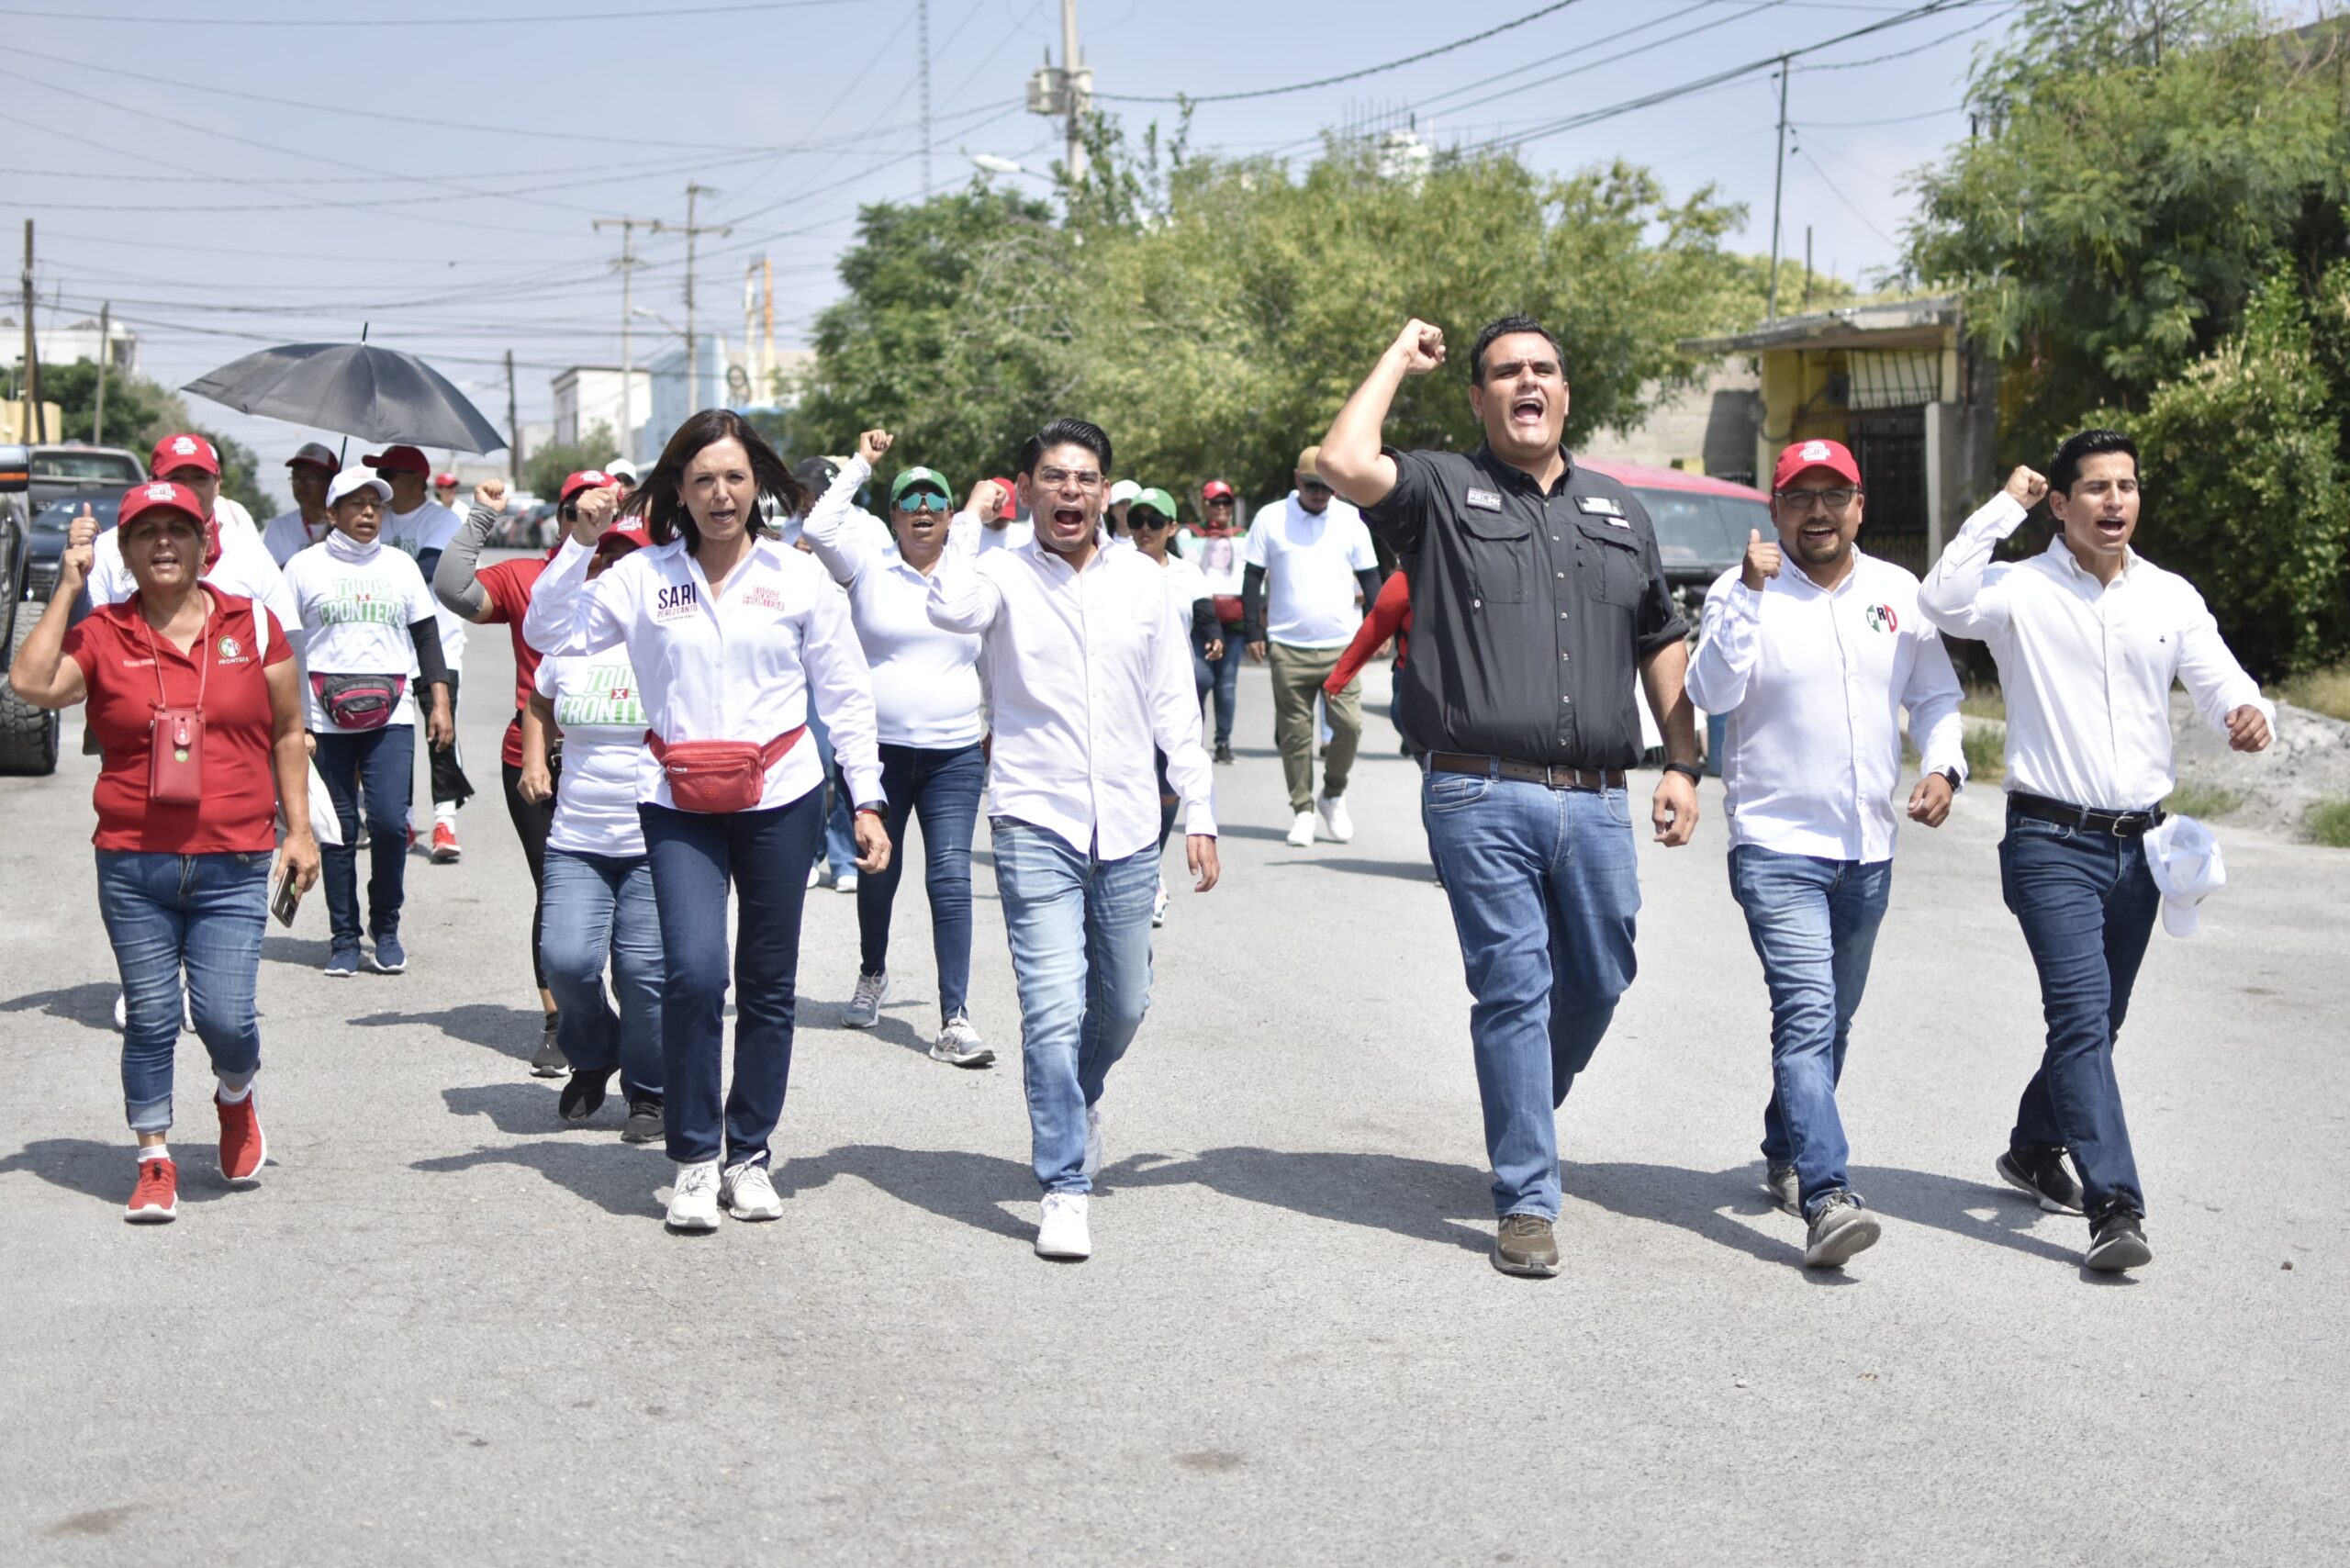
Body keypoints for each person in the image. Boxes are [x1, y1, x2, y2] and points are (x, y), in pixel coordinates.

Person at [1318, 315, 1702, 1279]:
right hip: (1477, 791)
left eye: (1543, 370)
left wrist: (1685, 762)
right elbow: (1340, 458)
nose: (1526, 384)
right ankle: (1526, 1198)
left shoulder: (1620, 509)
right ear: (1479, 397)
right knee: (1514, 987)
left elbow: (1658, 635)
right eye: (1505, 373)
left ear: (1566, 394)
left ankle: (1521, 1103)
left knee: (1603, 976)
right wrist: (1399, 357)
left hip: (1600, 799)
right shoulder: (1442, 491)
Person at [524, 409, 889, 1234]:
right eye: (701, 480)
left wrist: (865, 798)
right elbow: (548, 632)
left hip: (781, 795)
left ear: (756, 484)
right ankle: (693, 1158)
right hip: (677, 798)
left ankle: (749, 1154)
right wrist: (584, 542)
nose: (720, 494)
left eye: (733, 477)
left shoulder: (798, 579)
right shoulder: (641, 576)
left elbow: (845, 694)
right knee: (692, 974)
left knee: (767, 983)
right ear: (676, 492)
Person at [1917, 431, 2274, 1272]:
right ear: (2061, 503)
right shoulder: (2017, 590)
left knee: (2100, 1022)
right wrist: (2001, 506)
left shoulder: (2170, 597)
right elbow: (1941, 599)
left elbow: (2222, 678)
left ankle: (2033, 1147)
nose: (2115, 502)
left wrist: (2246, 712)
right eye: (2096, 489)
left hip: (2143, 847)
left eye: (2127, 487)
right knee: (2079, 1018)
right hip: (2049, 841)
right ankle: (2116, 1206)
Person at [928, 417, 1219, 1262]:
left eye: (1086, 479)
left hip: (1130, 822)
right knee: (1053, 1007)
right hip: (1033, 817)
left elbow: (1173, 701)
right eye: (1054, 477)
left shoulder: (1144, 584)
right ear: (1027, 489)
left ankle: (1079, 1096)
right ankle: (1064, 1183)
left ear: (1106, 493)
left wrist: (1197, 807)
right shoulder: (1000, 574)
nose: (1071, 492)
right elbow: (949, 607)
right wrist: (973, 525)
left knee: (1122, 1002)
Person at [1684, 438, 1967, 1270]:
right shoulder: (1744, 595)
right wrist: (1745, 593)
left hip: (1867, 851)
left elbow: (1938, 694)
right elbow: (1710, 694)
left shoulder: (1898, 593)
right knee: (1807, 1016)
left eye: (1832, 495)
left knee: (1831, 1022)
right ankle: (1828, 1193)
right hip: (1777, 848)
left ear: (1858, 506)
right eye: (1799, 497)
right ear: (1774, 510)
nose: (1817, 511)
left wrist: (1945, 765)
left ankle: (1784, 1142)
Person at [7, 481, 320, 1222]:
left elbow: (286, 731)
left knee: (227, 1019)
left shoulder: (254, 625)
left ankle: (236, 1096)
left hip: (234, 859)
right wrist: (67, 587)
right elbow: (28, 682)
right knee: (150, 1015)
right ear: (126, 551)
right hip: (133, 861)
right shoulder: (105, 632)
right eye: (145, 533)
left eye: (178, 530)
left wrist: (300, 830)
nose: (164, 545)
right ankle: (153, 1158)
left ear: (205, 541)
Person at [799, 432, 994, 1068]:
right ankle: (873, 972)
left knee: (950, 877)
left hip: (954, 754)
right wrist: (863, 464)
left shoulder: (970, 568)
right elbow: (819, 523)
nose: (922, 509)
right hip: (877, 752)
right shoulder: (867, 564)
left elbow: (996, 655)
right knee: (876, 871)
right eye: (909, 500)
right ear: (893, 515)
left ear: (945, 516)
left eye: (934, 501)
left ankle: (955, 1017)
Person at [434, 473, 607, 1077]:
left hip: (617, 761)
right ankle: (561, 1022)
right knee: (557, 891)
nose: (593, 519)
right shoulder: (526, 577)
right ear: (562, 516)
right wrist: (481, 517)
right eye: (580, 509)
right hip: (533, 759)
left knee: (629, 891)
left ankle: (624, 1014)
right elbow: (453, 588)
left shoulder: (638, 575)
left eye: (604, 508)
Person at [519, 514, 666, 1143]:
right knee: (567, 963)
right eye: (603, 559)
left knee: (642, 974)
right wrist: (532, 758)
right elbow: (539, 703)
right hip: (577, 836)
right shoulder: (567, 644)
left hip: (654, 840)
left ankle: (650, 1091)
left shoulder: (667, 643)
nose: (611, 570)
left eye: (626, 559)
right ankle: (597, 1051)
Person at [283, 468, 456, 977]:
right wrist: (296, 723)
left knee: (386, 822)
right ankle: (342, 937)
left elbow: (427, 638)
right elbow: (289, 650)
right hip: (323, 718)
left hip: (392, 715)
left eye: (375, 505)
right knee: (335, 832)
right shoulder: (302, 567)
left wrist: (439, 703)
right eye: (355, 505)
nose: (367, 514)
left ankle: (387, 925)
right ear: (331, 514)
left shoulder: (401, 567)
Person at [1243, 445, 1382, 848]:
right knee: (1296, 735)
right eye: (1312, 486)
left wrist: (1380, 628)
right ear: (1296, 480)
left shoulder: (1350, 519)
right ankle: (1302, 810)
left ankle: (1332, 793)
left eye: (1327, 487)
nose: (1320, 494)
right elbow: (1252, 578)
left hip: (1343, 646)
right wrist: (1253, 630)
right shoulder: (1271, 518)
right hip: (1288, 644)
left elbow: (1371, 579)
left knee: (1350, 726)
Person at [368, 444, 472, 862]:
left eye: (388, 475)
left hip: (437, 646)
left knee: (441, 734)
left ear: (413, 480)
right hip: (389, 650)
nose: (383, 485)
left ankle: (445, 819)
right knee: (396, 740)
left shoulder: (443, 520)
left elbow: (426, 569)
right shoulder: (378, 520)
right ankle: (405, 819)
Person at [89, 433, 297, 635]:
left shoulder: (250, 552)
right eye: (176, 478)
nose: (189, 489)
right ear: (151, 482)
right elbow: (90, 632)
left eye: (200, 478)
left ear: (217, 484)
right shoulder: (109, 548)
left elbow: (288, 635)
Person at [1128, 486, 1220, 926]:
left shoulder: (1186, 574)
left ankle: (1151, 867)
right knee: (1135, 782)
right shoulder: (1113, 568)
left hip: (1172, 693)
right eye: (1137, 521)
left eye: (1154, 522)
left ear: (1171, 529)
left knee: (1167, 790)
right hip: (1127, 696)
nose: (1144, 529)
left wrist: (1214, 638)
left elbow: (1205, 617)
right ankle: (1138, 875)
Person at [788, 454, 878, 892]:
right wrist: (794, 553)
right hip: (796, 664)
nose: (806, 502)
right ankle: (810, 850)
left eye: (813, 493)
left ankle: (842, 856)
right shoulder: (786, 532)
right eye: (801, 494)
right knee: (814, 759)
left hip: (847, 656)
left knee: (844, 762)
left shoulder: (867, 528)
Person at [1192, 478, 1248, 762]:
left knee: (1227, 685)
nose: (1222, 508)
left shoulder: (1241, 537)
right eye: (1216, 502)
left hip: (1233, 624)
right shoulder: (1190, 536)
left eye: (1226, 502)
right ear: (1205, 505)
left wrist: (1255, 623)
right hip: (1200, 622)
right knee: (1199, 681)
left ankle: (1223, 741)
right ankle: (1193, 741)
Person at [262, 442, 340, 566]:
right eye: (296, 478)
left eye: (311, 478)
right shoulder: (279, 527)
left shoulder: (346, 525)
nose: (301, 484)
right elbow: (270, 577)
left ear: (332, 481)